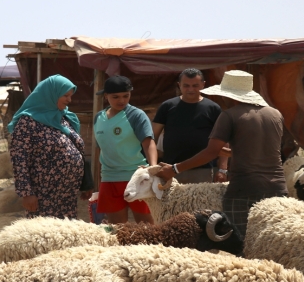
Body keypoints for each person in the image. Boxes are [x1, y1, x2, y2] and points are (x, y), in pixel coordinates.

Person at [156, 70, 287, 237]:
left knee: (241, 239)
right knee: (275, 237)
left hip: (244, 189)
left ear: (227, 94)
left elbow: (211, 152)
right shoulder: (275, 114)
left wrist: (174, 169)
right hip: (278, 186)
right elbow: (257, 149)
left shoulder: (229, 116)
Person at [8, 74, 92, 219]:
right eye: (65, 95)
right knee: (45, 235)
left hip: (68, 194)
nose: (69, 100)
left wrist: (85, 182)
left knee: (66, 233)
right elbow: (19, 159)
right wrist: (27, 193)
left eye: (70, 96)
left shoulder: (64, 118)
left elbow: (77, 150)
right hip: (43, 195)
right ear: (51, 94)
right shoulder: (28, 122)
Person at [94, 76, 156, 224]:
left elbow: (148, 142)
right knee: (117, 229)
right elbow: (99, 149)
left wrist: (152, 167)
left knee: (146, 227)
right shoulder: (99, 118)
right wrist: (97, 181)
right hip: (109, 178)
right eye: (115, 97)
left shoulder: (136, 115)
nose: (121, 100)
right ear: (105, 96)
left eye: (126, 96)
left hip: (136, 177)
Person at [152, 68, 228, 184]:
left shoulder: (213, 108)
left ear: (203, 85)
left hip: (202, 171)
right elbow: (153, 137)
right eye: (186, 85)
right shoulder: (167, 106)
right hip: (170, 170)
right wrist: (152, 165)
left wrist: (223, 169)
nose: (190, 89)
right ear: (179, 85)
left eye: (195, 85)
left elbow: (223, 140)